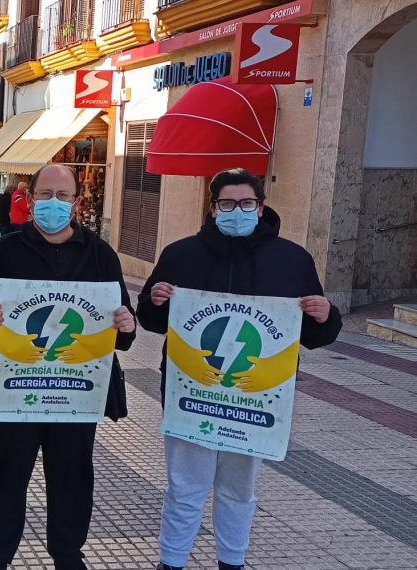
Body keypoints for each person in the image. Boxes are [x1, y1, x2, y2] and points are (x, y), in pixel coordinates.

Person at [136, 168, 342, 570]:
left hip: (254, 400)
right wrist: (155, 300)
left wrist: (324, 315)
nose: (237, 211)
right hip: (192, 394)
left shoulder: (292, 260)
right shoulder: (181, 255)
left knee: (238, 489)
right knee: (185, 487)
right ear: (213, 208)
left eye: (246, 203)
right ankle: (171, 561)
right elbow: (152, 320)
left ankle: (232, 562)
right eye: (227, 204)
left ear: (261, 207)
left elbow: (315, 335)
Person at [0, 164, 137, 570]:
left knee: (72, 481)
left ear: (77, 202)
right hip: (15, 391)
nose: (53, 203)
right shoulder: (3, 252)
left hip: (77, 393)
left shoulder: (100, 255)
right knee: (5, 481)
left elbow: (123, 329)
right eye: (45, 194)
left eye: (63, 196)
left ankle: (68, 557)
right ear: (29, 201)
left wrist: (127, 325)